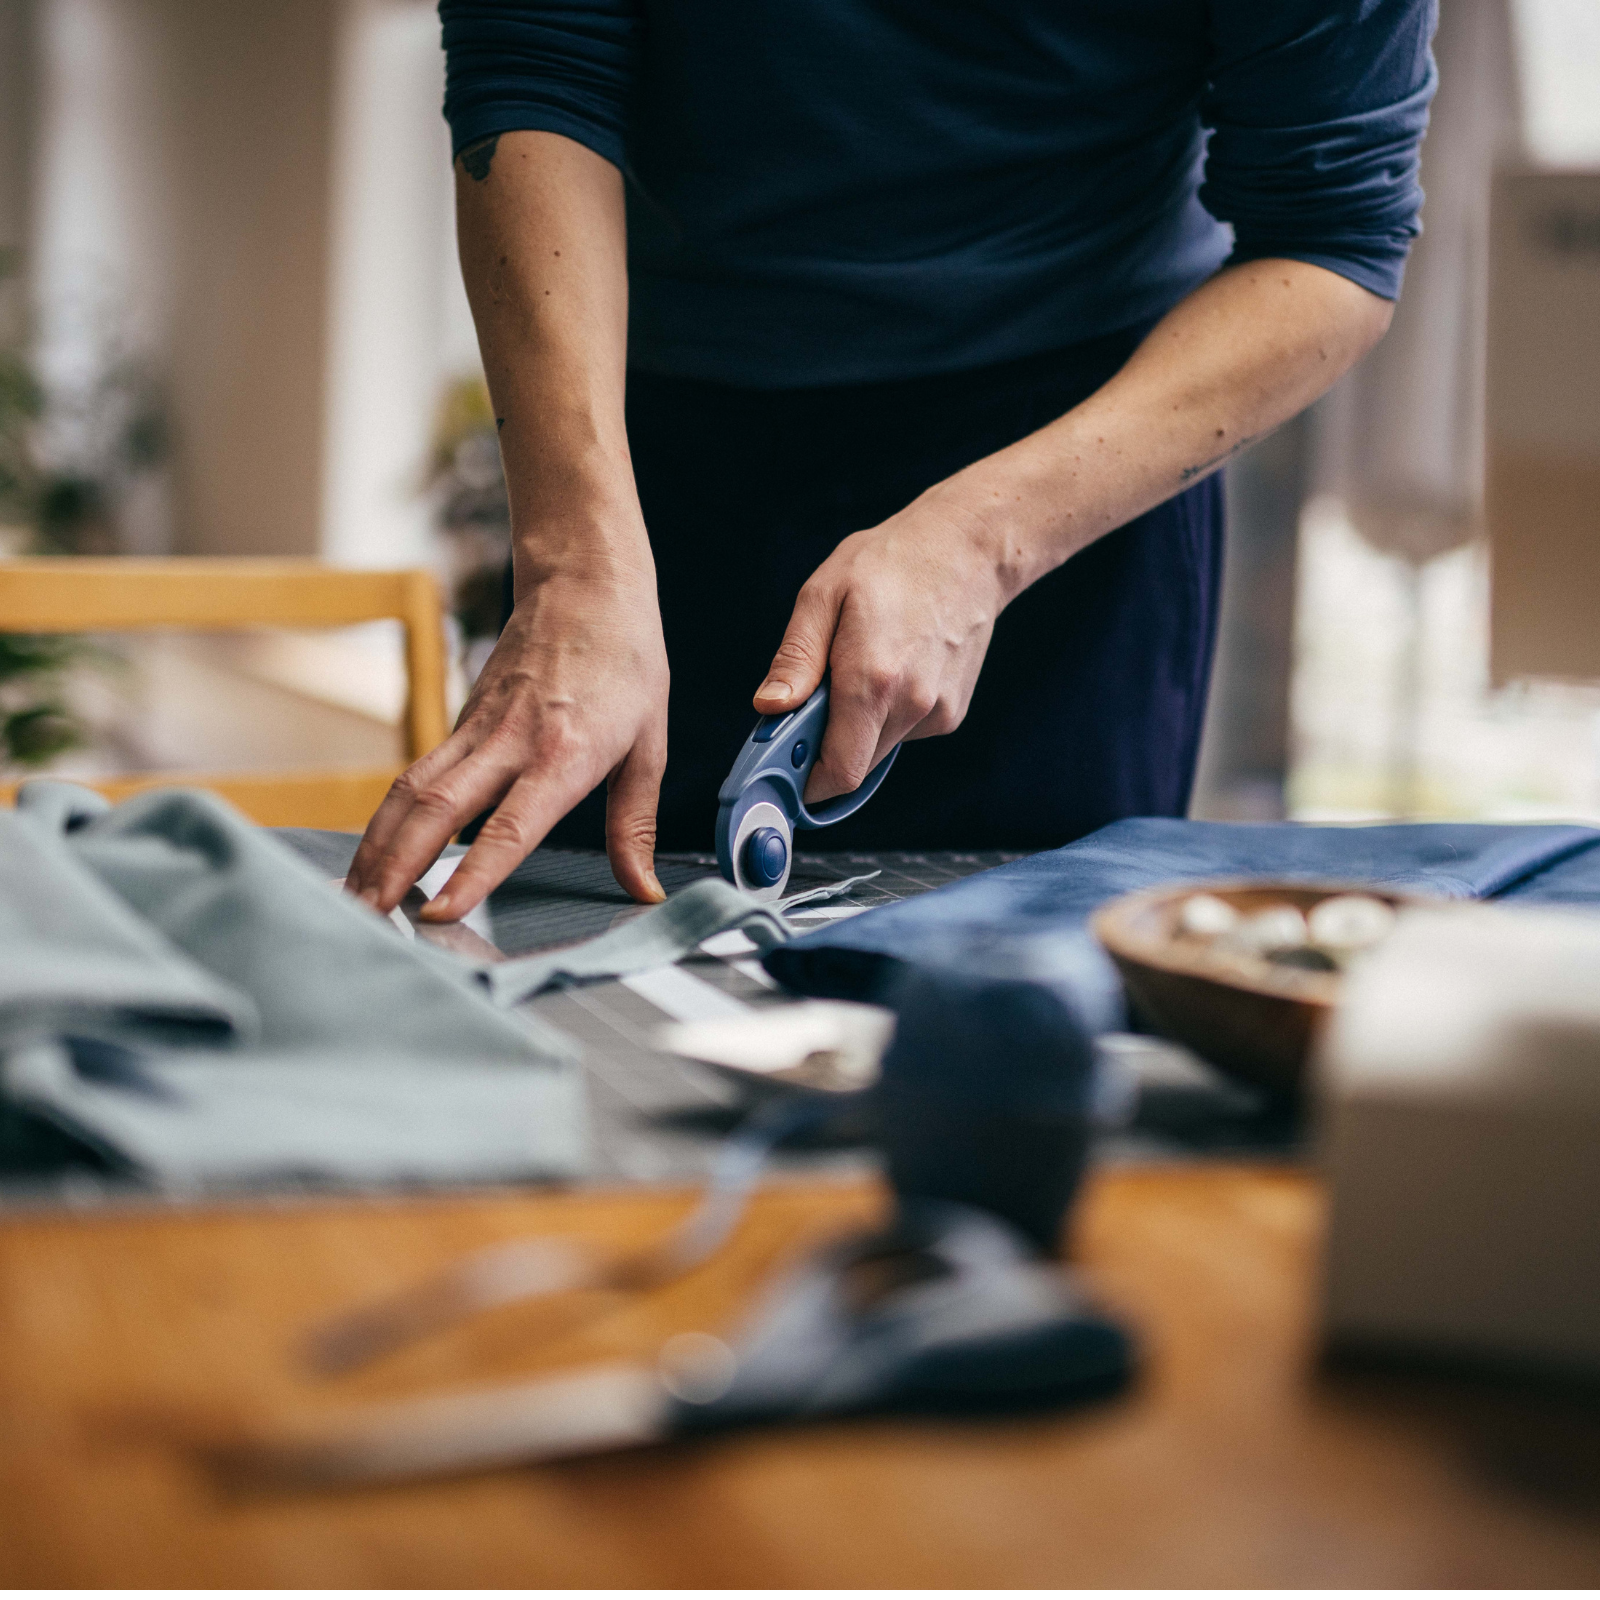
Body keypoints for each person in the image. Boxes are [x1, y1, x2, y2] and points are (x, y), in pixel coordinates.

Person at [346, 0, 1437, 922]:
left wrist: (985, 542)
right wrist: (574, 558)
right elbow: (536, 61)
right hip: (643, 456)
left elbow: (1332, 238)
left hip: (1078, 475)